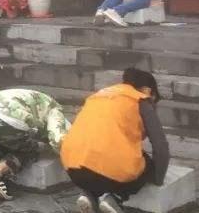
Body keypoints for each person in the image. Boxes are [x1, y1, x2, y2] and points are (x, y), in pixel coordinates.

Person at [61, 68, 169, 213]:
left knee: (98, 164)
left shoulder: (99, 95)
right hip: (108, 170)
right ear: (148, 90)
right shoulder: (140, 99)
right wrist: (158, 179)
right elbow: (160, 147)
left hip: (72, 167)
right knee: (146, 165)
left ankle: (88, 194)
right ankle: (115, 198)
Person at [0, 88, 70, 202]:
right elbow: (57, 139)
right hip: (5, 116)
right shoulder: (55, 109)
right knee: (27, 148)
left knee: (1, 143)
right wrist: (67, 159)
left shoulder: (34, 97)